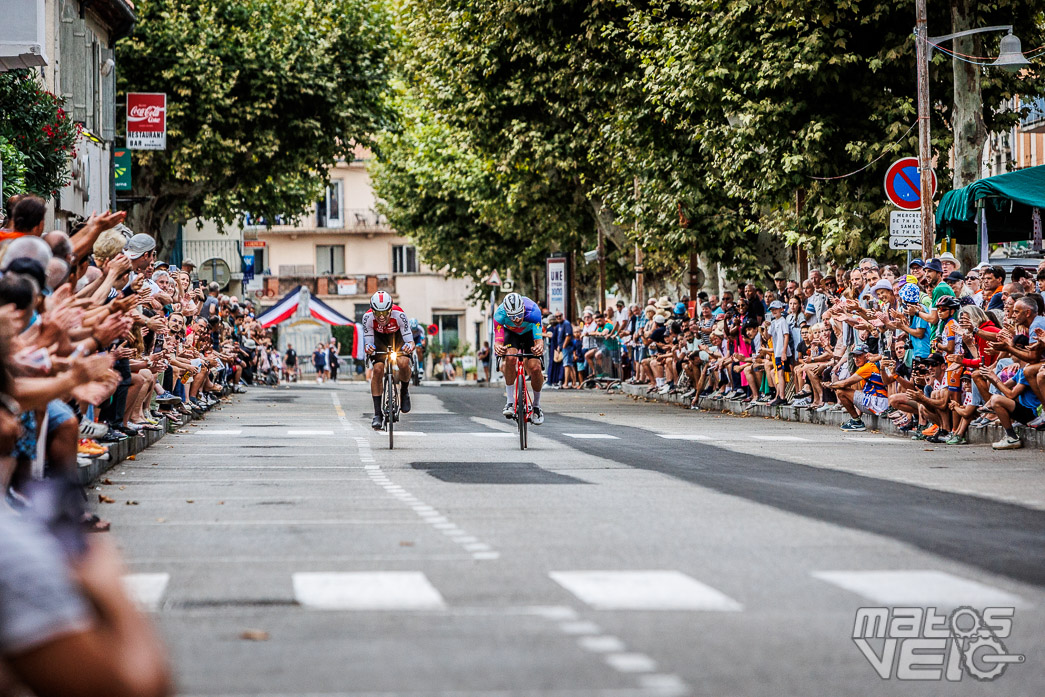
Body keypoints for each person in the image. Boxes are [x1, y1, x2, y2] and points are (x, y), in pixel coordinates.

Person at [362, 291, 414, 430]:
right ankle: (377, 414)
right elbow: (368, 342)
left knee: (403, 362)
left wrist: (408, 347)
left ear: (390, 309)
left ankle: (404, 390)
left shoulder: (399, 315)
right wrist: (369, 348)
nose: (381, 316)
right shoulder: (367, 318)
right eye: (377, 312)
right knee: (378, 369)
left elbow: (410, 340)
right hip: (379, 338)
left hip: (397, 336)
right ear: (372, 310)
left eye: (385, 312)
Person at [493, 292, 545, 425]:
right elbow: (498, 340)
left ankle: (537, 406)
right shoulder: (499, 314)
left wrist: (539, 346)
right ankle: (510, 402)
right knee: (510, 358)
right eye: (512, 316)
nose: (516, 319)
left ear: (523, 308)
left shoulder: (533, 311)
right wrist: (498, 347)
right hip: (511, 334)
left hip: (529, 333)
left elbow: (538, 339)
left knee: (535, 367)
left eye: (519, 314)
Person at [826, 344, 888, 432]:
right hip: (879, 402)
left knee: (841, 391)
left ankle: (856, 421)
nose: (856, 359)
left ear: (867, 355)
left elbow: (845, 383)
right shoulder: (866, 366)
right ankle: (857, 419)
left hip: (879, 403)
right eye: (854, 356)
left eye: (859, 356)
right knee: (855, 389)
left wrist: (830, 385)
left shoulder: (868, 366)